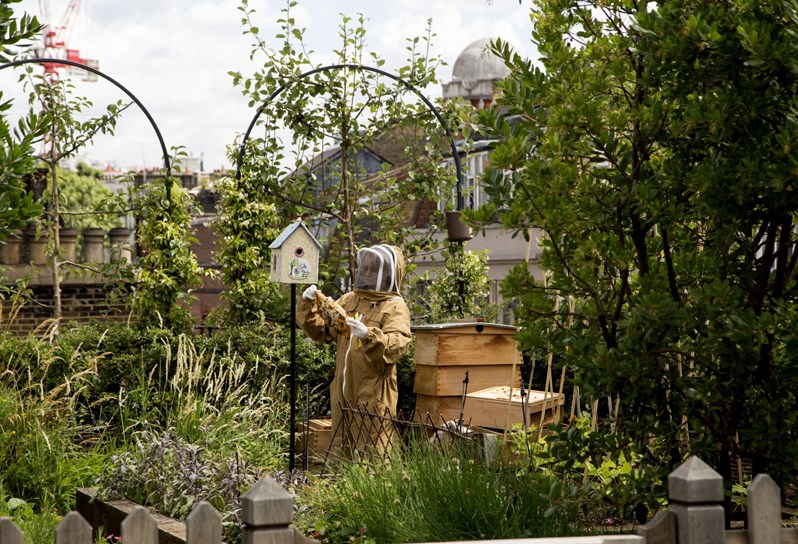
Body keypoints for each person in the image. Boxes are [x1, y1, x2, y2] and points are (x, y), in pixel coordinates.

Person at [296, 244, 411, 454]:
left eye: (373, 269)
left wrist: (369, 335)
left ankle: (380, 488)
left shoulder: (395, 306)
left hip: (374, 393)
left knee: (375, 452)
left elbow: (398, 344)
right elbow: (323, 332)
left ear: (387, 273)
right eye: (365, 268)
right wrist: (308, 304)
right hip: (342, 389)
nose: (367, 273)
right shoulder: (350, 299)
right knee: (343, 450)